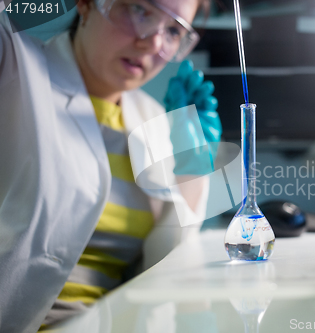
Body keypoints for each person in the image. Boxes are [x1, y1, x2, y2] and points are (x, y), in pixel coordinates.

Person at [0, 0, 221, 331]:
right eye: (140, 10)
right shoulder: (16, 68)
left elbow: (172, 258)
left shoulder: (156, 120)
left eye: (173, 30)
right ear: (87, 5)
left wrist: (192, 167)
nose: (154, 43)